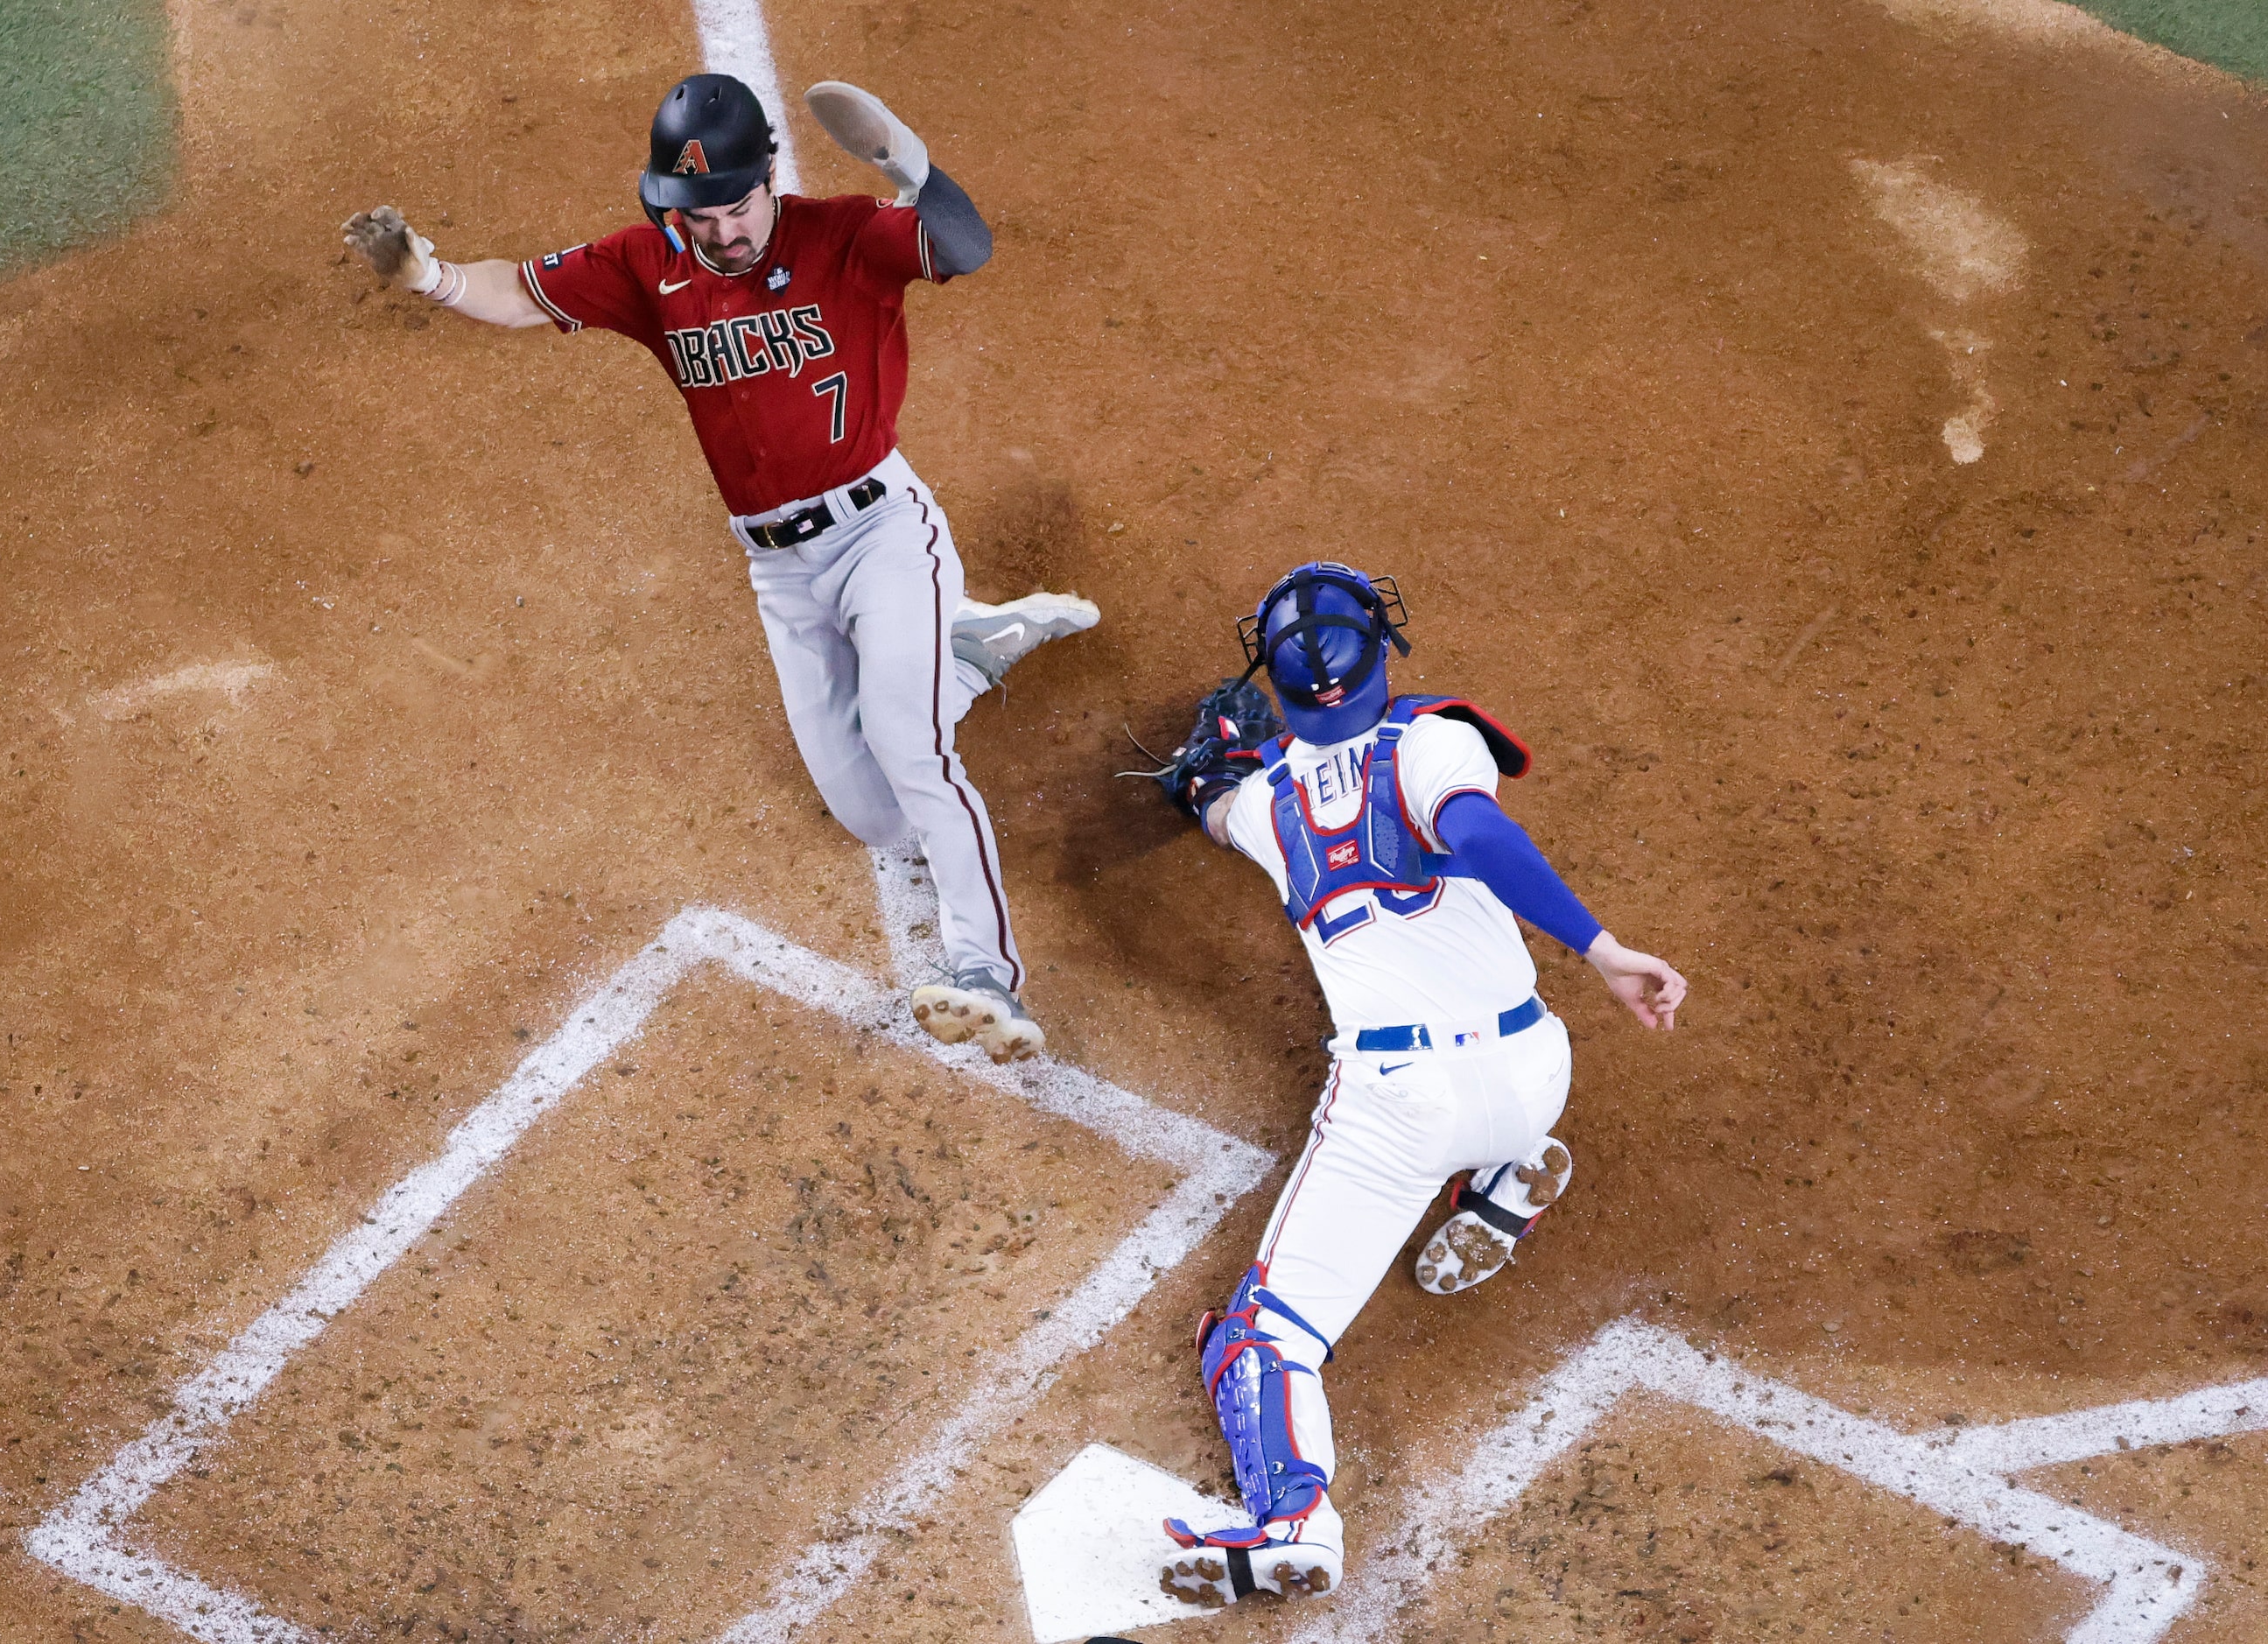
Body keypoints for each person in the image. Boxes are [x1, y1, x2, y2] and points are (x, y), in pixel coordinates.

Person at [340, 75, 1094, 1063]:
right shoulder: (647, 265)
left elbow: (966, 246)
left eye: (737, 205)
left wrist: (911, 171)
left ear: (769, 177)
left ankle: (982, 969)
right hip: (777, 571)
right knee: (870, 817)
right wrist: (427, 274)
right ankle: (971, 648)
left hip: (880, 534)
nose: (724, 230)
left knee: (912, 750)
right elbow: (521, 294)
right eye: (700, 214)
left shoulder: (844, 237)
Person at [1142, 562, 1688, 1604]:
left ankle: (1291, 1517)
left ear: (1280, 691)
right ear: (1382, 652)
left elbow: (1206, 801)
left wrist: (1201, 775)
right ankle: (1507, 1171)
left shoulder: (1259, 804)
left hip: (1399, 1112)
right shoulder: (1439, 743)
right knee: (1501, 1093)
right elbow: (1478, 833)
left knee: (1258, 1341)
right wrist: (1604, 949)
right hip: (1534, 1063)